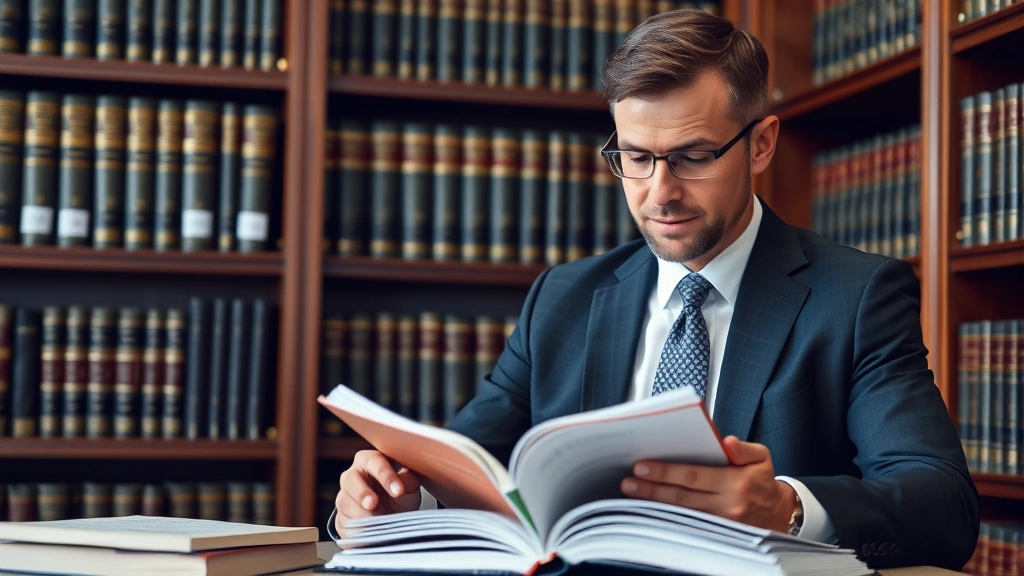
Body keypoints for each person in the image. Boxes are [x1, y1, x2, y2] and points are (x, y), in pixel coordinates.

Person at [331, 9, 979, 571]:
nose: (659, 192)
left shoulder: (856, 296)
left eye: (693, 156)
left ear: (761, 144)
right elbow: (468, 466)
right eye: (635, 158)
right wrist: (400, 500)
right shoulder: (563, 298)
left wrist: (785, 508)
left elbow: (942, 506)